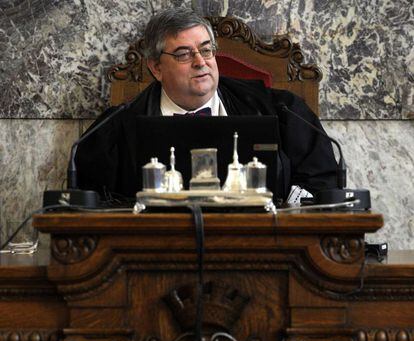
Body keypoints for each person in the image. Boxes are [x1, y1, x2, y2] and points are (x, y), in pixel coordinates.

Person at [76, 8, 338, 203]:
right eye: (183, 54)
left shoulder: (280, 110)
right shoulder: (114, 129)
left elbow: (322, 183)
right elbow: (89, 202)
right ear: (156, 68)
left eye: (206, 50)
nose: (200, 62)